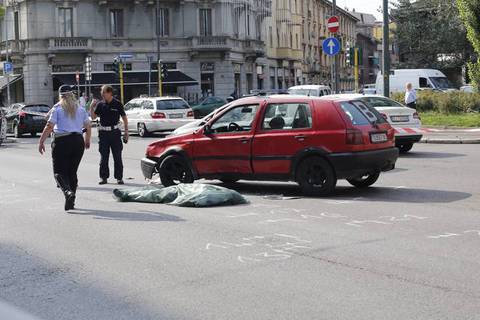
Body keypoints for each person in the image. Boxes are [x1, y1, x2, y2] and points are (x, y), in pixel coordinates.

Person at [38, 86, 91, 211]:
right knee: (72, 172)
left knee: (59, 172)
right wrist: (87, 140)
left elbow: (49, 126)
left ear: (61, 96)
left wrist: (41, 141)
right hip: (78, 142)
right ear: (72, 95)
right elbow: (88, 126)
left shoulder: (57, 109)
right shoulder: (81, 109)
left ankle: (67, 192)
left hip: (62, 141)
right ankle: (71, 201)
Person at [90, 85, 129, 185]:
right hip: (103, 134)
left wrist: (126, 132)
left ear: (110, 93)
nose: (102, 94)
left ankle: (119, 178)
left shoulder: (117, 104)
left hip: (115, 133)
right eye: (102, 92)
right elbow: (93, 117)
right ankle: (104, 177)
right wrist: (91, 107)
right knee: (104, 157)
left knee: (117, 156)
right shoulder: (100, 104)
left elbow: (124, 118)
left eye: (104, 92)